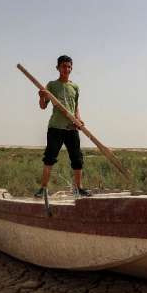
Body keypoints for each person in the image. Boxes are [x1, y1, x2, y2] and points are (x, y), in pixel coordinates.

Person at [34, 55, 92, 198]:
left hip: (71, 128)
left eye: (69, 66)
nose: (66, 69)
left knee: (77, 159)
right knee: (49, 158)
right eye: (63, 66)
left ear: (71, 68)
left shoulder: (75, 87)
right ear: (58, 68)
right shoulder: (52, 85)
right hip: (56, 128)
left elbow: (75, 106)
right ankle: (43, 189)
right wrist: (41, 96)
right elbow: (43, 106)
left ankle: (78, 188)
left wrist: (78, 119)